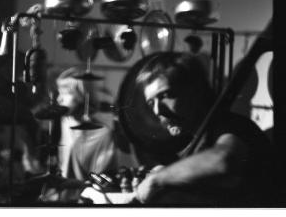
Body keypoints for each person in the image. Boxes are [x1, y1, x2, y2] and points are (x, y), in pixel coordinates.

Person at [131, 52, 274, 206]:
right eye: (151, 103)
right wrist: (166, 173)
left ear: (195, 91)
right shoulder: (195, 139)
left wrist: (158, 179)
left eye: (166, 95)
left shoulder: (231, 125)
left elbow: (223, 160)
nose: (158, 111)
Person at [56, 67, 138, 181]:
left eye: (65, 93)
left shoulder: (103, 135)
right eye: (59, 93)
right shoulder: (65, 122)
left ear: (81, 95)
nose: (59, 99)